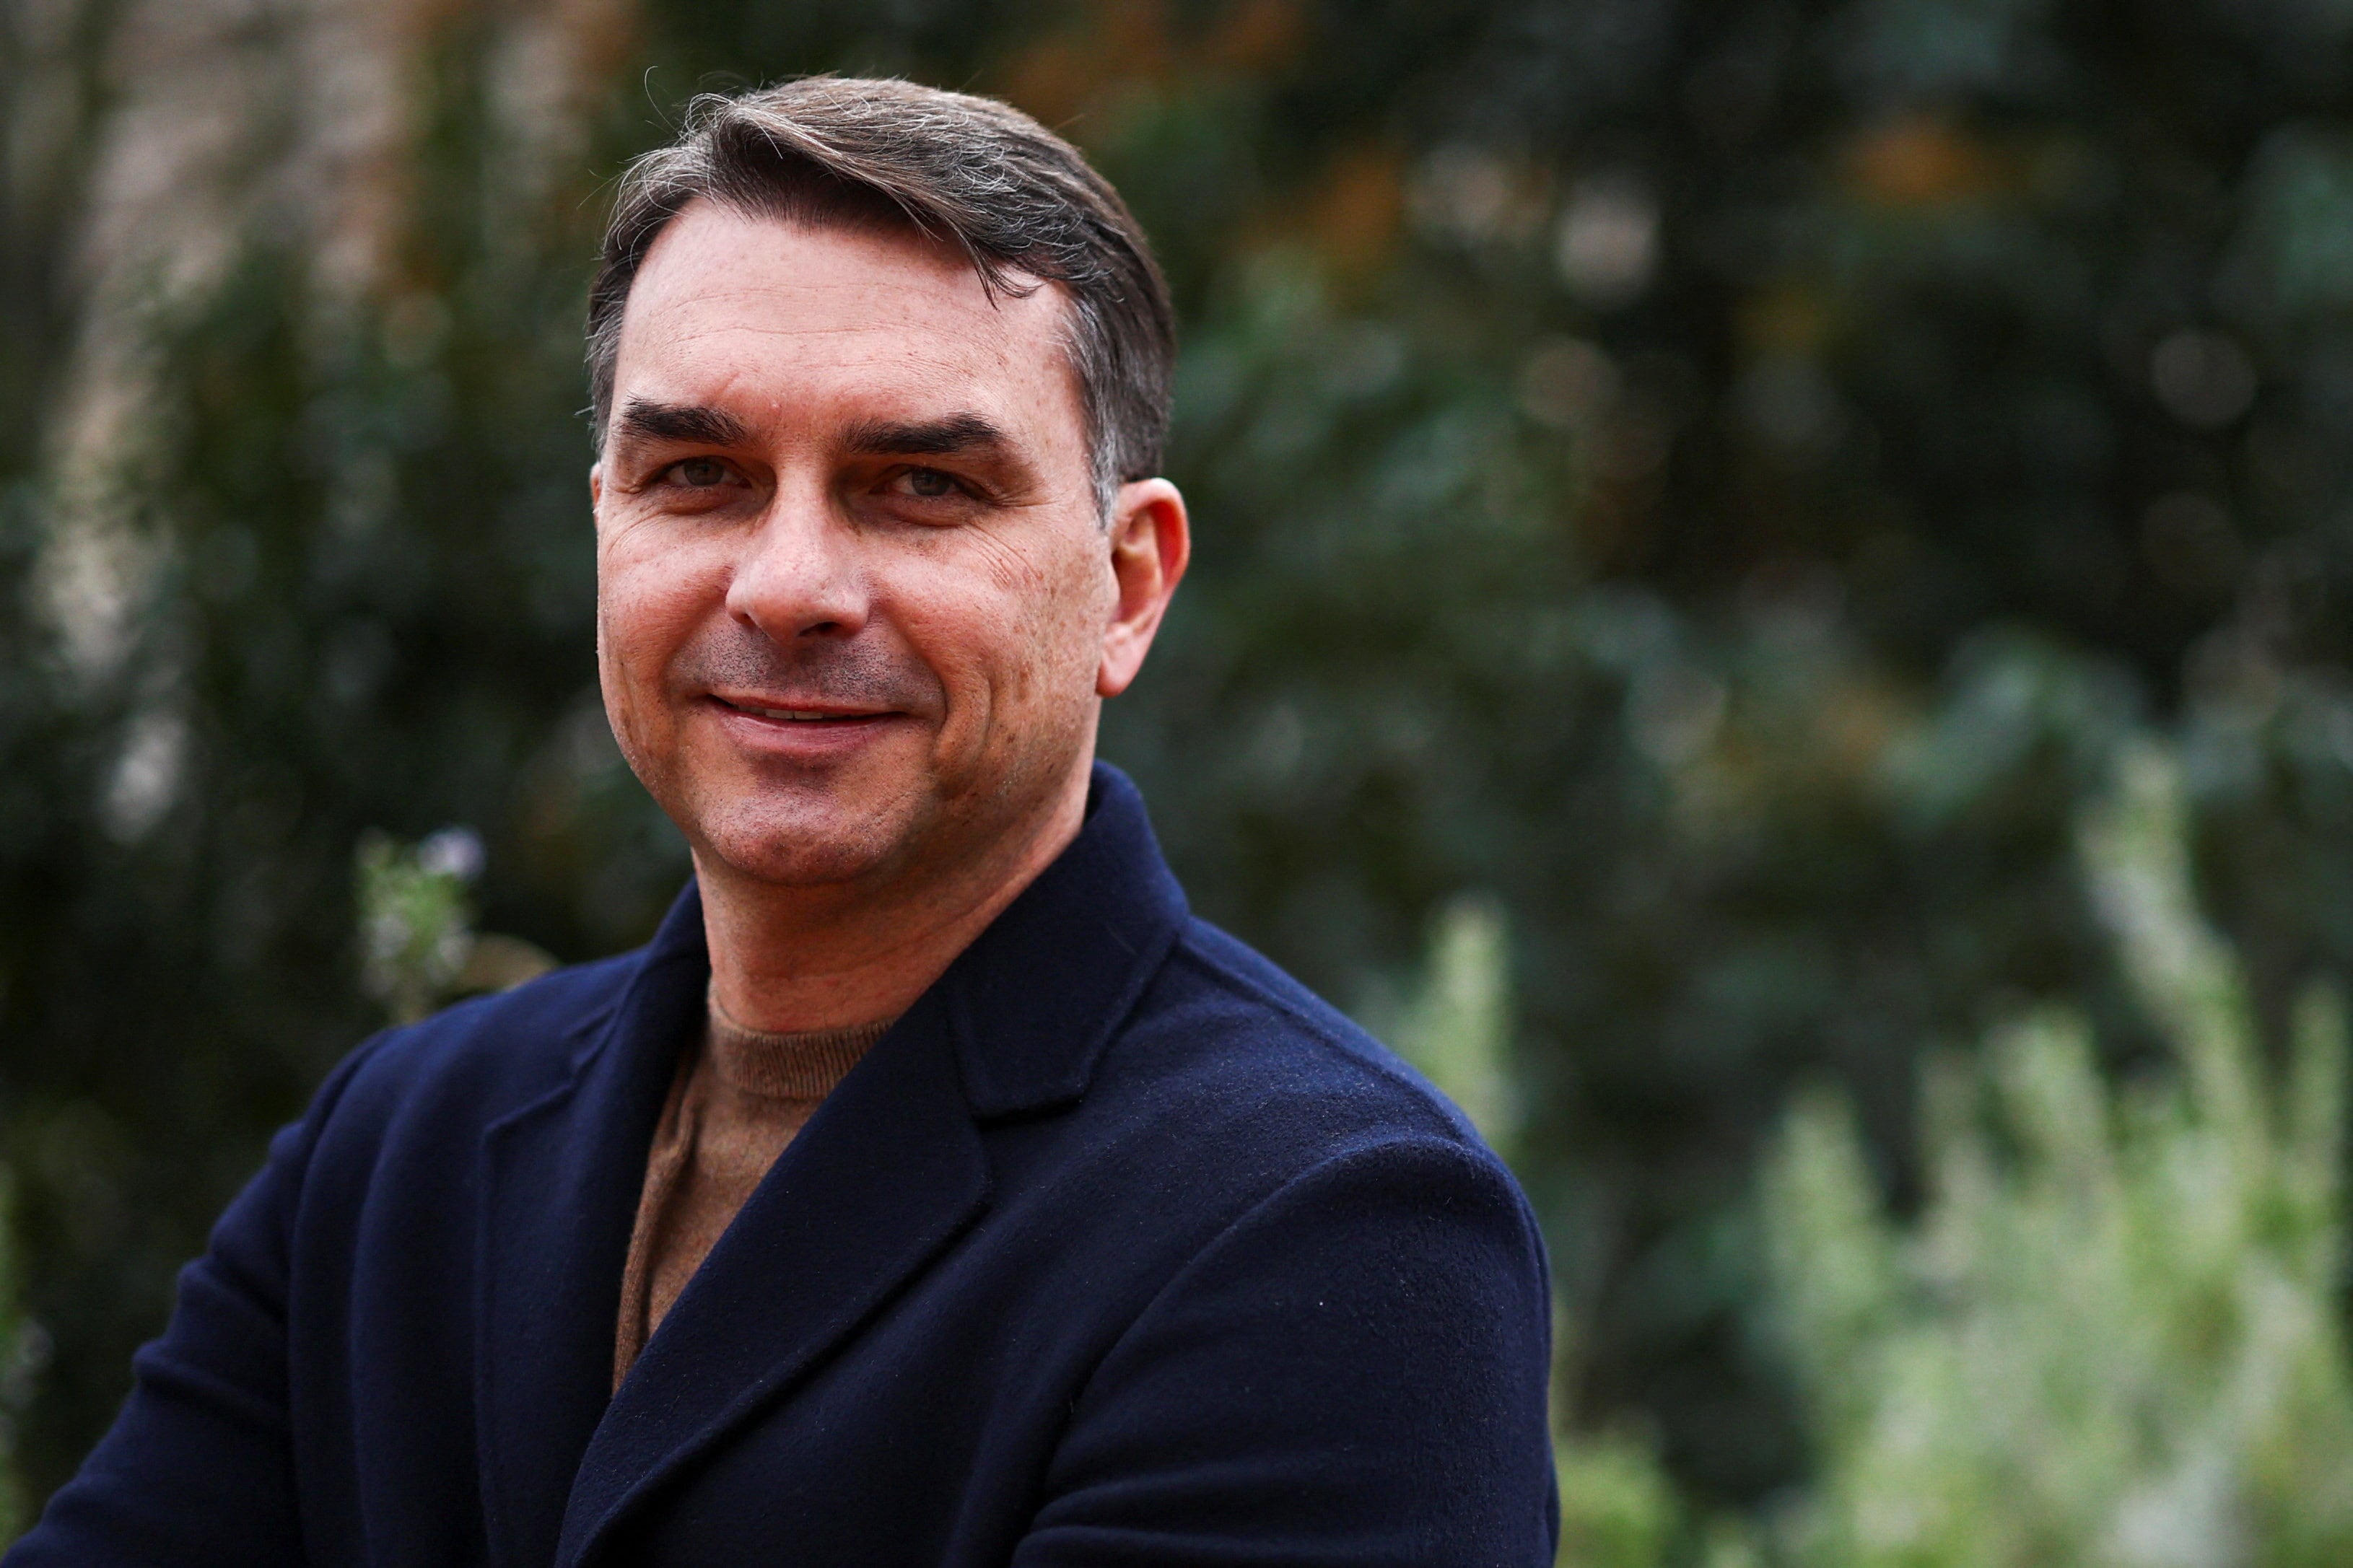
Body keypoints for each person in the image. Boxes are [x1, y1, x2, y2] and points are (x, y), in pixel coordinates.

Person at [7, 76, 1557, 1566]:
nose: (788, 584)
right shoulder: (396, 1150)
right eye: (699, 474)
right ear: (605, 520)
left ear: (1127, 585)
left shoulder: (1333, 1235)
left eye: (918, 487)